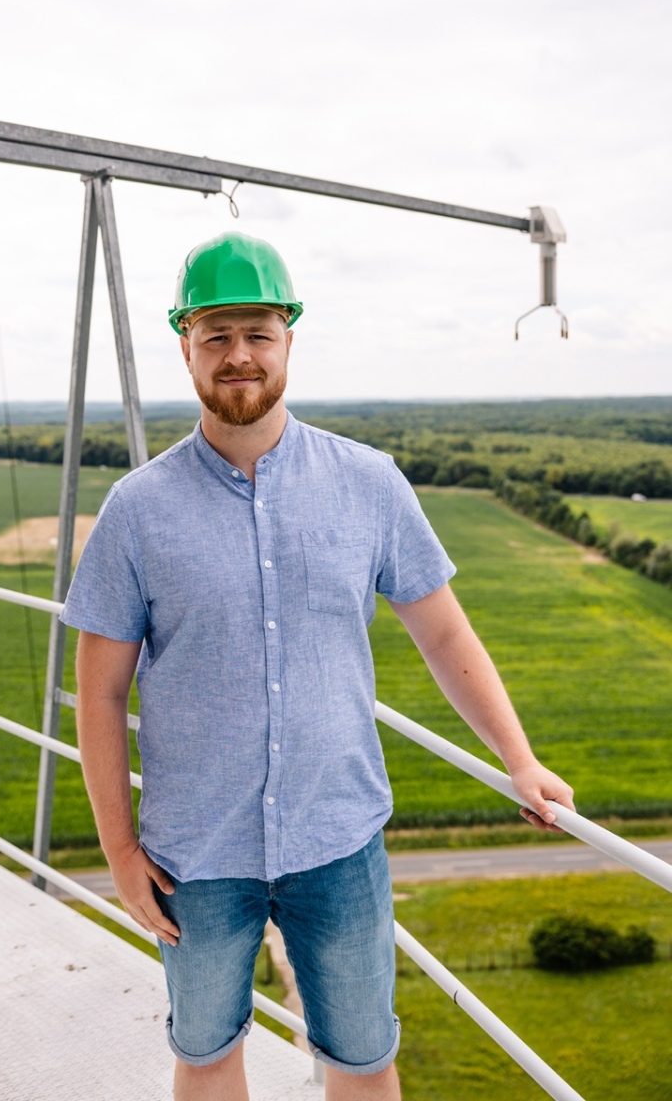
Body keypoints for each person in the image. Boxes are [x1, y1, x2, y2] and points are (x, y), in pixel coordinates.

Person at [60, 232, 575, 1101]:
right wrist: (117, 848)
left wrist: (519, 762)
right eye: (216, 336)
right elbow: (100, 691)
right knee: (208, 1052)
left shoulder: (370, 484)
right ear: (184, 344)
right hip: (195, 853)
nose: (238, 356)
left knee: (364, 1063)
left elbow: (447, 637)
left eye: (257, 333)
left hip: (338, 840)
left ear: (290, 338)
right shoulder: (136, 510)